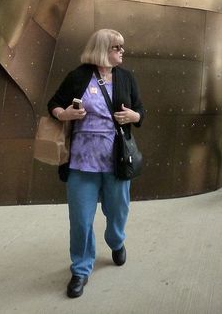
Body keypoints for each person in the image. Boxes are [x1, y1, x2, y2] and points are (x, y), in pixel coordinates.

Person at [47, 28, 145, 298]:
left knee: (117, 212)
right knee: (80, 220)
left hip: (116, 160)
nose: (122, 51)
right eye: (117, 47)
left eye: (122, 47)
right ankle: (80, 269)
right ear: (103, 49)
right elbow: (53, 104)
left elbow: (141, 111)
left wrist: (134, 116)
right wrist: (63, 113)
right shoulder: (78, 76)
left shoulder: (126, 78)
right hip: (81, 161)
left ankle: (116, 241)